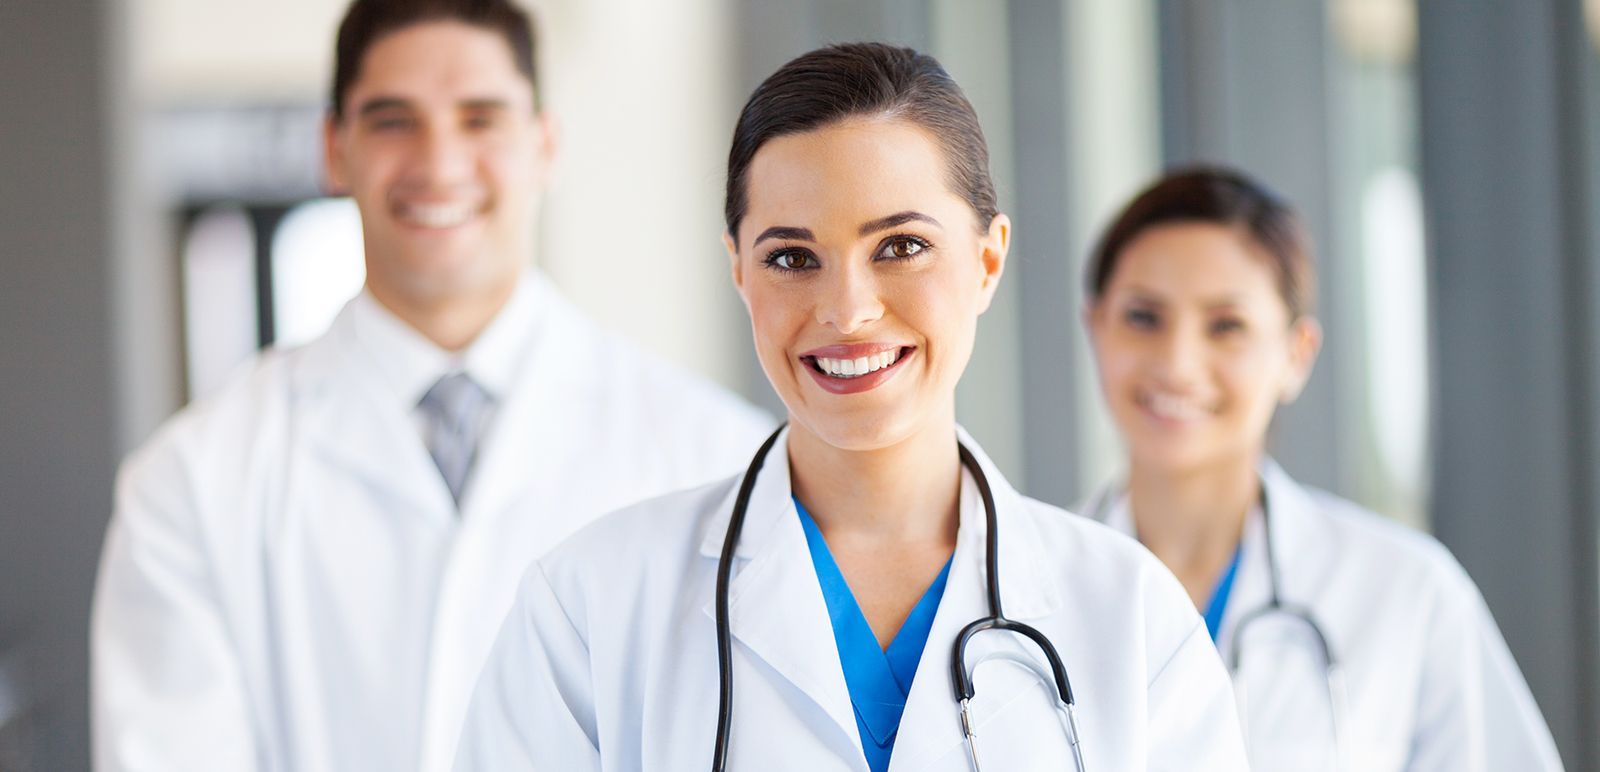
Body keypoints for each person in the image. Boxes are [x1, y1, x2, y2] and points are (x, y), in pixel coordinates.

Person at [452, 43, 1249, 771]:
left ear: (987, 259)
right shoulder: (593, 605)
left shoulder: (1129, 617)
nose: (847, 310)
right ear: (739, 271)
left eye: (900, 247)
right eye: (793, 258)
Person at [90, 1, 773, 770]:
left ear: (545, 145)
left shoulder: (719, 459)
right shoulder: (191, 483)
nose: (440, 163)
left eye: (480, 119)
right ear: (333, 149)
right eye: (391, 121)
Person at [1079, 166, 1563, 770]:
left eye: (1226, 326)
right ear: (1095, 326)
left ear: (1295, 354)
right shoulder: (1019, 591)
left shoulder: (1409, 593)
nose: (1178, 364)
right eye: (1143, 317)